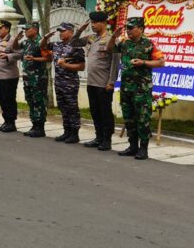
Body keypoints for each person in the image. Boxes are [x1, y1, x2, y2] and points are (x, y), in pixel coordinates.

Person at [107, 17, 165, 160]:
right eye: (127, 28)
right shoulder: (125, 43)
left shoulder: (149, 44)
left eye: (131, 28)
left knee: (142, 118)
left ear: (140, 28)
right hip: (126, 88)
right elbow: (109, 49)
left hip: (142, 89)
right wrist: (114, 36)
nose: (128, 31)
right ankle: (132, 146)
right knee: (129, 118)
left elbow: (161, 62)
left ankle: (143, 149)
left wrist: (143, 62)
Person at [71, 11, 120, 151]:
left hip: (104, 83)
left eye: (95, 22)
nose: (93, 25)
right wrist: (80, 30)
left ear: (104, 23)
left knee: (105, 112)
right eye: (91, 22)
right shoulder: (91, 38)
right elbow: (74, 42)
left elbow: (115, 62)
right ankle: (98, 137)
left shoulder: (111, 39)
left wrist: (111, 82)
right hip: (91, 82)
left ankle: (107, 139)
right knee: (95, 111)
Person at [40, 22, 86, 144]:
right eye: (60, 31)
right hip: (59, 81)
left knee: (72, 108)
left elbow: (81, 66)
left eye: (63, 31)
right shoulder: (56, 45)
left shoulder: (76, 47)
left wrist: (65, 65)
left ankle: (74, 133)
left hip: (70, 82)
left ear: (71, 32)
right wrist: (45, 37)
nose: (61, 33)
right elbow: (43, 47)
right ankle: (66, 131)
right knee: (62, 107)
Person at [13, 21, 51, 138]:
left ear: (35, 29)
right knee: (31, 101)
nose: (25, 31)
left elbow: (48, 58)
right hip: (27, 77)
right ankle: (34, 125)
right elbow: (14, 48)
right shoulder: (26, 42)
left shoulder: (41, 42)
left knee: (38, 102)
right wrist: (16, 38)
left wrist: (34, 58)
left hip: (38, 78)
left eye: (27, 29)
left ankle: (40, 127)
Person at [0, 19, 21, 133]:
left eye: (0, 28)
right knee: (1, 98)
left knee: (8, 99)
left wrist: (8, 57)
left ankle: (11, 123)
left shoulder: (12, 41)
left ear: (7, 28)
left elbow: (20, 54)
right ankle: (6, 121)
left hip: (9, 76)